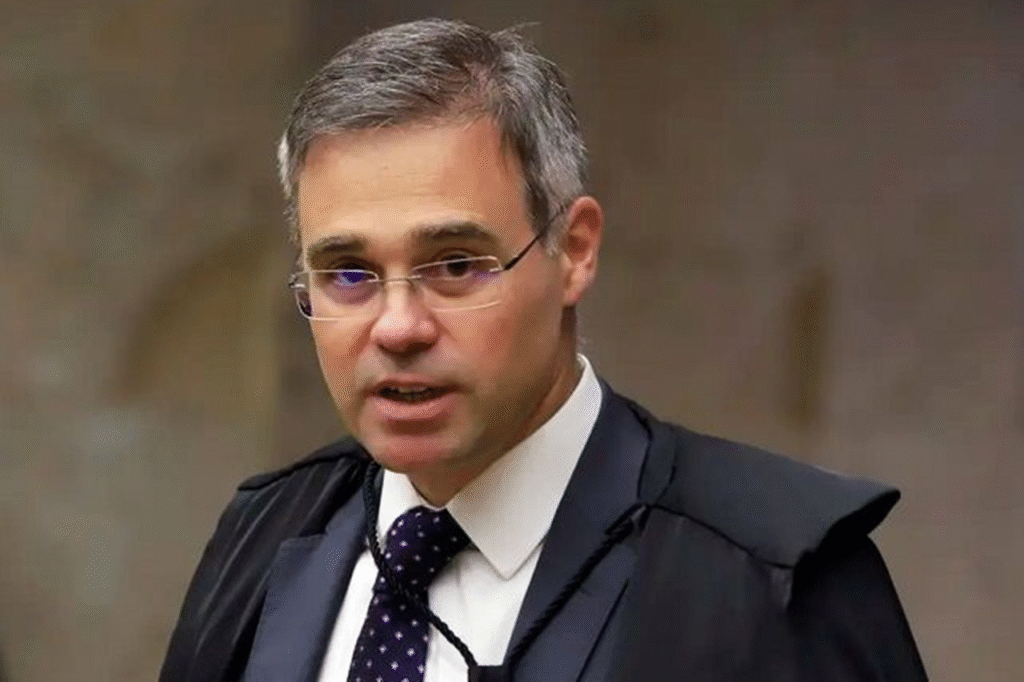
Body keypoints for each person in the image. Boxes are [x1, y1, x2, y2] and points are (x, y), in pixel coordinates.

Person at [159, 18, 928, 682]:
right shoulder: (266, 533)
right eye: (349, 274)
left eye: (455, 265)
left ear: (575, 249)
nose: (398, 327)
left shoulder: (772, 573)